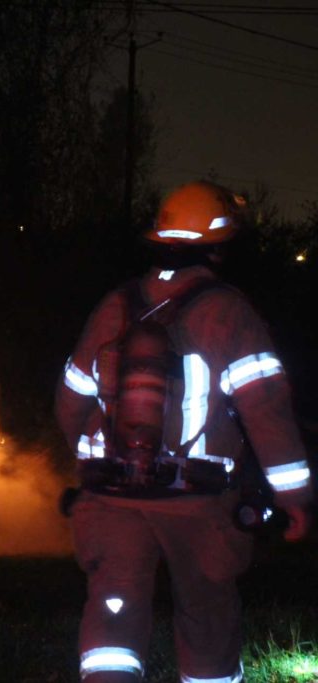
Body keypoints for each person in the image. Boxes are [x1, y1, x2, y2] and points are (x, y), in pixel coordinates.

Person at [55, 180, 313, 683]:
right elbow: (267, 412)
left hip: (111, 496)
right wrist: (294, 498)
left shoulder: (114, 305)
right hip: (199, 501)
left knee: (113, 611)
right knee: (207, 614)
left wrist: (99, 463)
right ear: (221, 246)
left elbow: (70, 401)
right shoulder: (229, 313)